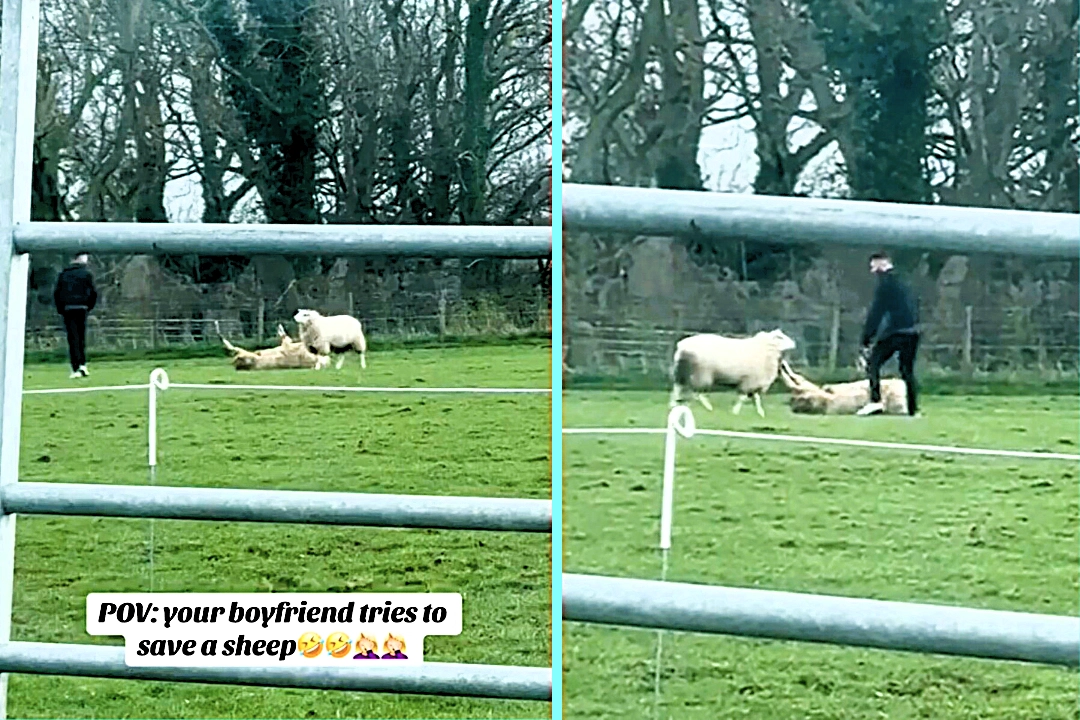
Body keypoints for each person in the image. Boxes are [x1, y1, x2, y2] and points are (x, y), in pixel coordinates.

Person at [856, 251, 920, 417]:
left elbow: (877, 312)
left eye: (873, 266)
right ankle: (913, 409)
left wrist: (866, 337)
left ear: (881, 264)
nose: (872, 271)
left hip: (896, 330)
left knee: (873, 363)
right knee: (907, 370)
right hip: (913, 331)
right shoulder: (905, 281)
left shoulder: (885, 284)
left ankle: (875, 401)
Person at [53, 253, 97, 379]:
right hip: (82, 308)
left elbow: (57, 293)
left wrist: (61, 309)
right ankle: (82, 364)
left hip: (68, 308)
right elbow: (93, 293)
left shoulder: (64, 274)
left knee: (73, 338)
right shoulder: (86, 274)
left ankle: (76, 366)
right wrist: (89, 306)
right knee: (81, 337)